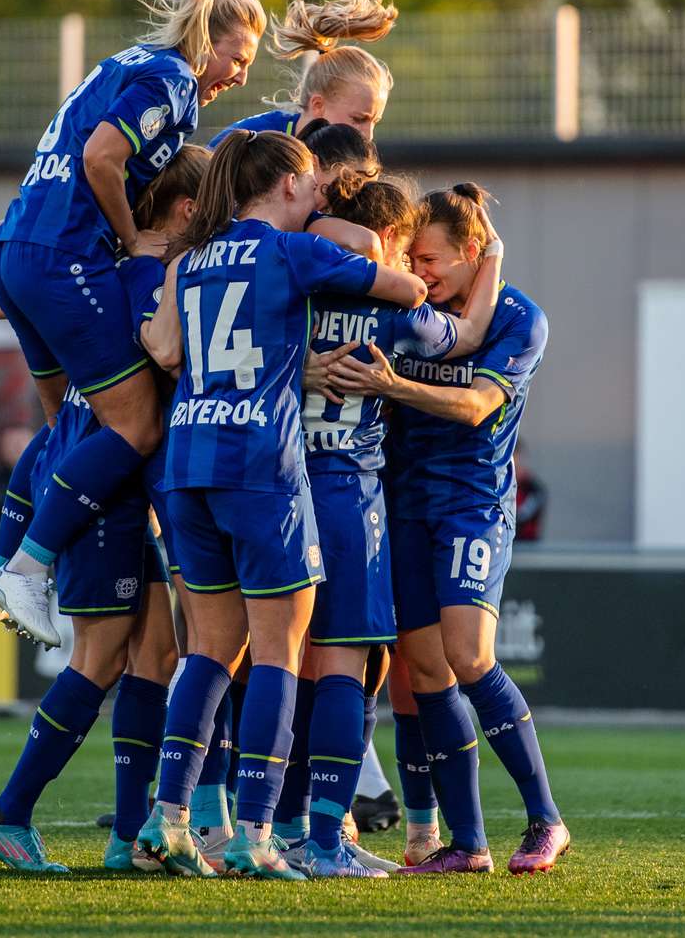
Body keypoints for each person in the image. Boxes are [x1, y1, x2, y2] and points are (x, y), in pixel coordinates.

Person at [133, 130, 426, 881]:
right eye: (314, 189)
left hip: (187, 462)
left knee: (208, 650)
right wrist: (343, 240)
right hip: (259, 466)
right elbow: (407, 289)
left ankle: (168, 822)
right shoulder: (293, 250)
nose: (320, 197)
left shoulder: (189, 259)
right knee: (277, 653)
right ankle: (257, 833)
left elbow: (166, 351)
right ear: (292, 186)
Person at [0, 0, 267, 648]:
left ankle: (3, 566)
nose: (238, 74)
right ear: (207, 41)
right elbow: (102, 158)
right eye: (238, 56)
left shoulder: (126, 63)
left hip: (16, 250)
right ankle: (28, 568)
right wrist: (128, 238)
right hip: (62, 256)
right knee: (136, 426)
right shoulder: (171, 79)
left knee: (63, 430)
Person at [0, 144, 208, 875]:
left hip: (116, 484)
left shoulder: (125, 272)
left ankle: (128, 833)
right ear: (189, 210)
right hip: (101, 489)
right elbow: (163, 365)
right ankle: (8, 816)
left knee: (156, 655)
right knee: (100, 658)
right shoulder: (147, 274)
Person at [322, 183, 568, 875]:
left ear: (470, 254)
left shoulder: (521, 318)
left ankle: (546, 820)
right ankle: (466, 843)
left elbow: (475, 406)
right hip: (398, 504)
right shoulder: (410, 308)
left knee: (469, 656)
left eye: (430, 258)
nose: (420, 270)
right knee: (422, 668)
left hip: (470, 505)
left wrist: (394, 387)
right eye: (412, 256)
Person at [285, 178, 502, 877]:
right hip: (347, 491)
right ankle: (324, 838)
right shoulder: (396, 306)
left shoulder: (292, 283)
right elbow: (468, 334)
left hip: (274, 484)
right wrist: (491, 257)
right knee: (351, 662)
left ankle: (240, 824)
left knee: (263, 662)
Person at [209, 0, 397, 144]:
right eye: (358, 119)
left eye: (374, 122)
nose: (368, 136)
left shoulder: (354, 160)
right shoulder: (257, 140)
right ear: (317, 105)